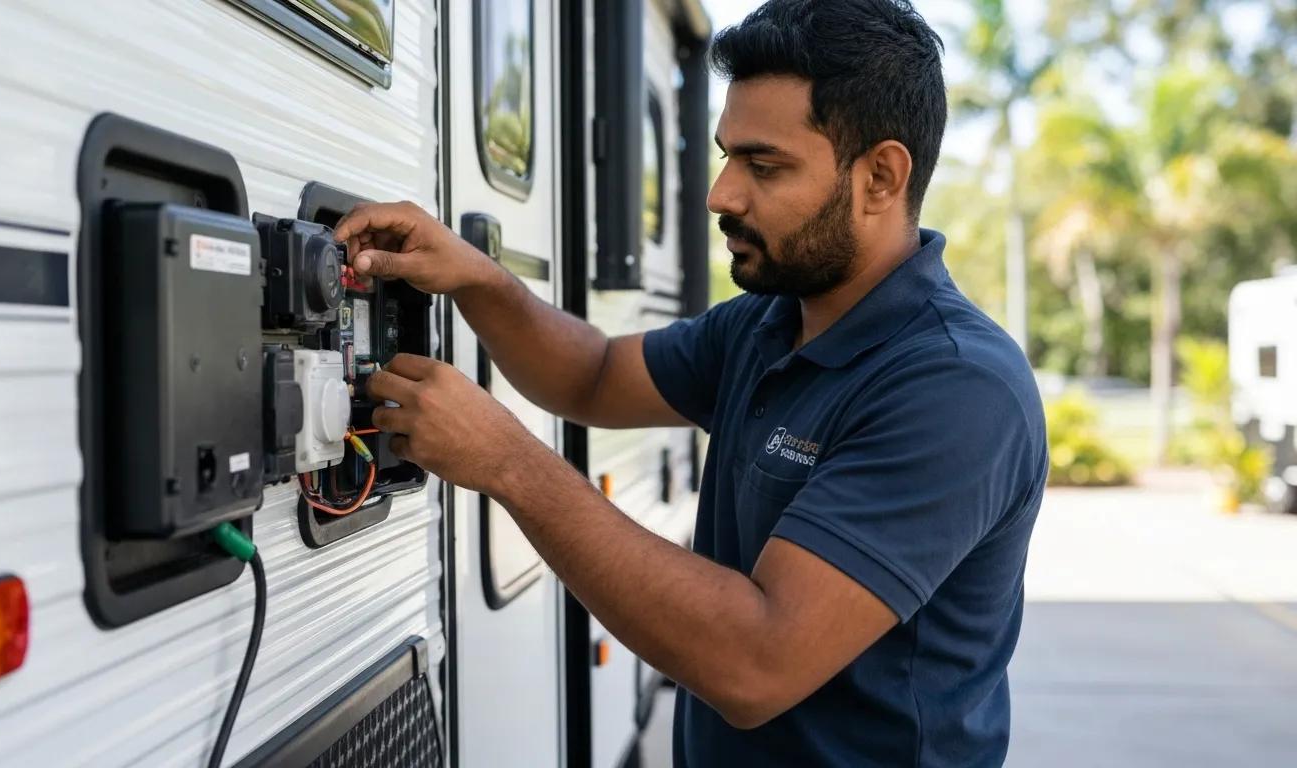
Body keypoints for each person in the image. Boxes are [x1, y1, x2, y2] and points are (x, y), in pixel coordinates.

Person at [333, 0, 1047, 764]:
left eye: (763, 166)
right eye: (726, 156)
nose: (721, 195)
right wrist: (478, 280)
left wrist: (510, 465)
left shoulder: (955, 389)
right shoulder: (770, 322)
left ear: (881, 176)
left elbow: (756, 661)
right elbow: (595, 375)